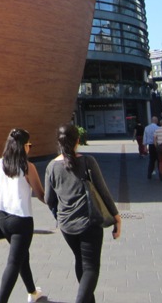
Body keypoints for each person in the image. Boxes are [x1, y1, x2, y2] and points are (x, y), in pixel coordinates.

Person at [45, 124, 121, 303]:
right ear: (77, 141)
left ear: (59, 142)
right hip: (89, 221)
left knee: (81, 260)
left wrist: (60, 212)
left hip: (66, 225)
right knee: (91, 268)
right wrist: (116, 216)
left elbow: (49, 199)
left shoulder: (51, 166)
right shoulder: (87, 161)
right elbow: (102, 191)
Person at [0, 129, 46, 303]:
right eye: (29, 145)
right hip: (21, 220)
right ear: (22, 146)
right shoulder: (27, 167)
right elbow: (41, 194)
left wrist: (4, 191)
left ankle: (33, 292)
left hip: (2, 218)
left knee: (21, 256)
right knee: (14, 262)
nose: (30, 148)